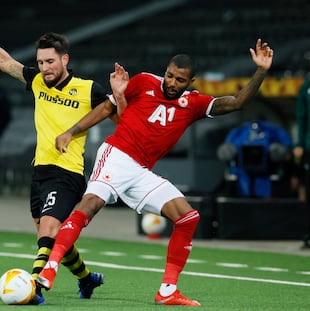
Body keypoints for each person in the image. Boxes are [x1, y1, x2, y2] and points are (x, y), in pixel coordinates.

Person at [37, 39, 274, 306]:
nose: (172, 83)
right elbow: (107, 108)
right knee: (90, 205)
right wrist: (71, 132)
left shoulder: (194, 104)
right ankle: (51, 268)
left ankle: (168, 290)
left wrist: (261, 71)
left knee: (188, 217)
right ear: (166, 70)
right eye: (170, 75)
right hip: (116, 155)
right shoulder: (144, 82)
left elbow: (237, 102)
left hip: (141, 171)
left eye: (180, 80)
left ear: (190, 81)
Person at [0, 18, 115, 304]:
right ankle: (86, 279)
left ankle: (35, 287)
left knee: (49, 230)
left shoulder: (88, 89)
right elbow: (5, 62)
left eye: (50, 61)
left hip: (68, 172)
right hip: (40, 171)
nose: (44, 68)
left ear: (65, 59)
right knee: (48, 233)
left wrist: (120, 97)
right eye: (40, 62)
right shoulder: (37, 82)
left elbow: (118, 115)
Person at [294, 75, 310, 249]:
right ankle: (307, 235)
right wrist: (299, 143)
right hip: (309, 146)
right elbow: (301, 116)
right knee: (307, 191)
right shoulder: (306, 85)